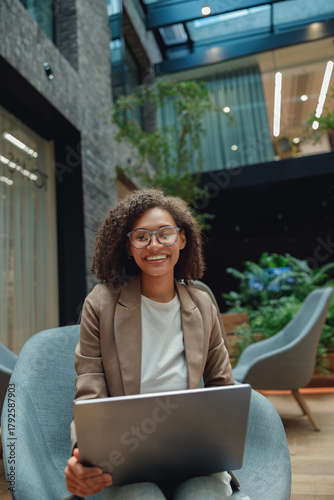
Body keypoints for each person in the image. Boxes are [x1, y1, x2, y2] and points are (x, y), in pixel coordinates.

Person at [64, 188, 235, 499]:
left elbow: (222, 385)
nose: (154, 244)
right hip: (124, 457)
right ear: (129, 247)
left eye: (165, 234)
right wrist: (83, 454)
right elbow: (89, 390)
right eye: (141, 236)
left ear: (182, 239)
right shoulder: (101, 303)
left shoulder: (203, 303)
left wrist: (221, 443)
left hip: (194, 454)